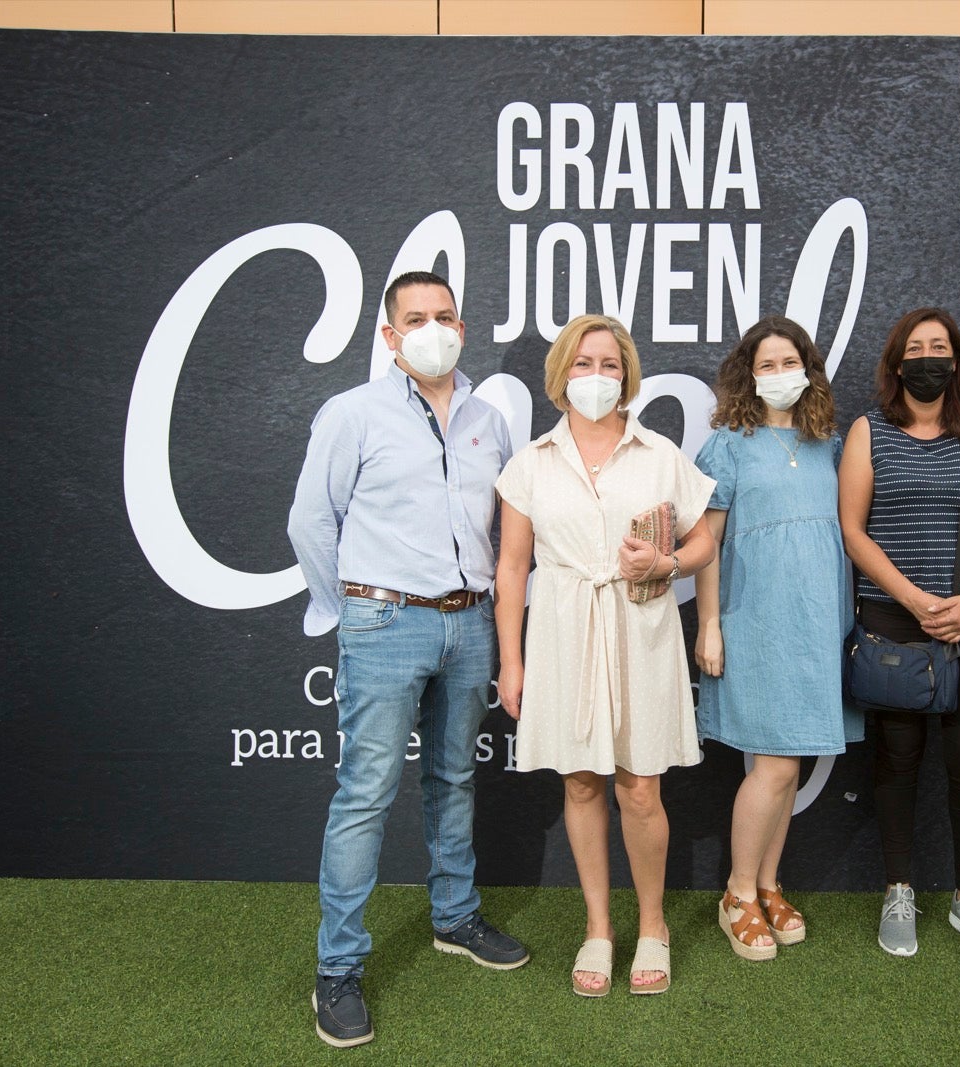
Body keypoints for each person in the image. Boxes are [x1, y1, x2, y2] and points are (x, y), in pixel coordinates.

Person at [287, 271, 528, 1048]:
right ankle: (338, 967)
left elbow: (506, 534)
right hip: (385, 618)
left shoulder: (490, 419)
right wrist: (348, 607)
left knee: (455, 776)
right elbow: (309, 522)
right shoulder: (352, 413)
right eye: (416, 318)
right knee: (365, 792)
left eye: (446, 315)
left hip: (470, 623)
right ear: (390, 337)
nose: (434, 328)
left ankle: (454, 917)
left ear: (464, 323)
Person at [493, 314, 716, 997]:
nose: (598, 376)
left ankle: (653, 925)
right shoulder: (531, 462)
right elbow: (511, 566)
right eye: (585, 363)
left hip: (640, 627)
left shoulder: (659, 454)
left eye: (611, 364)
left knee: (640, 786)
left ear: (628, 375)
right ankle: (599, 926)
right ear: (562, 374)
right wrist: (511, 659)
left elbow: (705, 541)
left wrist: (668, 559)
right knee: (581, 782)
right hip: (561, 629)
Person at [837, 307, 960, 960]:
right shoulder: (868, 432)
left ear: (958, 361)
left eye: (940, 346)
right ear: (896, 363)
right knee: (896, 760)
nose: (929, 357)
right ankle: (899, 887)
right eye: (917, 347)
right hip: (892, 622)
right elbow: (853, 528)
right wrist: (913, 598)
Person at [693, 316, 863, 961]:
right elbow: (705, 545)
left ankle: (768, 882)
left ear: (809, 370)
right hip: (757, 620)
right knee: (776, 763)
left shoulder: (834, 445)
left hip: (820, 622)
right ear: (747, 374)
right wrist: (709, 623)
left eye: (789, 361)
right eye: (766, 364)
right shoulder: (728, 446)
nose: (778, 374)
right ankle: (737, 893)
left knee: (792, 763)